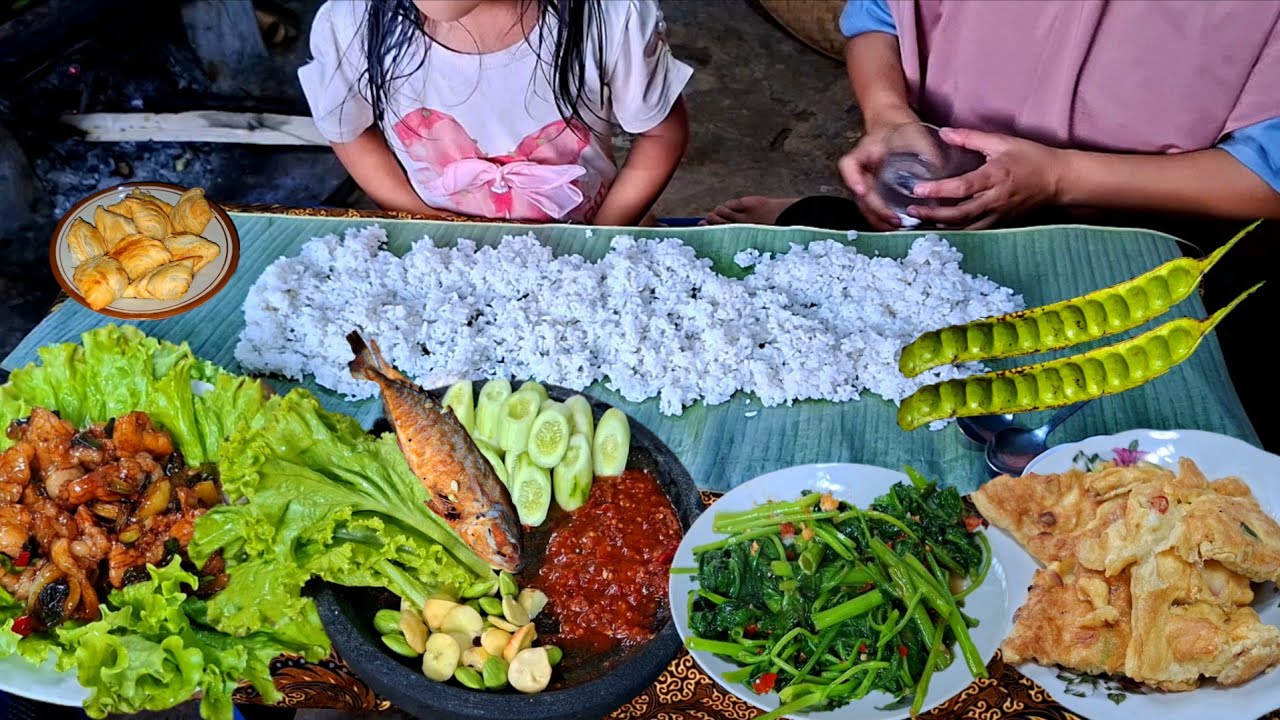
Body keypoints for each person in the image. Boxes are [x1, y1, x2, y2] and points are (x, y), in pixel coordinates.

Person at [705, 0, 1280, 230]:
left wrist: (1059, 177)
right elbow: (877, 18)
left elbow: (1265, 178)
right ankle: (833, 221)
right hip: (948, 180)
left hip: (1144, 222)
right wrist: (887, 115)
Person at [300, 0, 692, 225]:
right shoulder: (351, 20)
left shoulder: (607, 15)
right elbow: (348, 130)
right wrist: (425, 222)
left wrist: (604, 234)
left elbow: (661, 134)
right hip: (442, 254)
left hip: (592, 234)